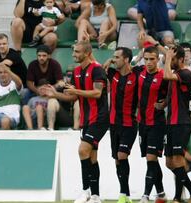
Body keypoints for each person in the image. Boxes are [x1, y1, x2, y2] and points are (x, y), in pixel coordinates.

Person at [65, 41, 109, 203]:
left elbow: (97, 93)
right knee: (91, 157)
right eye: (73, 51)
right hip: (86, 119)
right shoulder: (76, 71)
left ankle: (85, 191)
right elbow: (74, 96)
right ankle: (95, 196)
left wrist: (75, 90)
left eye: (77, 52)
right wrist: (53, 94)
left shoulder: (97, 70)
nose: (73, 54)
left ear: (87, 53)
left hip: (100, 118)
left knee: (82, 150)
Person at [163, 46, 191, 203]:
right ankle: (183, 195)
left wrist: (166, 57)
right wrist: (163, 104)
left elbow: (166, 76)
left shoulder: (185, 73)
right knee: (169, 162)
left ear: (180, 59)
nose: (170, 62)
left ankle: (185, 195)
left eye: (173, 59)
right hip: (171, 122)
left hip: (181, 122)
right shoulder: (176, 75)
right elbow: (173, 93)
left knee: (178, 160)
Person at [102, 47, 139, 203]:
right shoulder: (113, 74)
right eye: (113, 57)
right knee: (118, 159)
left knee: (122, 155)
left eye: (117, 57)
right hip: (114, 123)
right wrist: (110, 60)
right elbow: (103, 69)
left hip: (130, 123)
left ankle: (123, 194)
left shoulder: (136, 74)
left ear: (126, 60)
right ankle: (126, 195)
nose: (114, 59)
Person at [137, 46, 168, 203]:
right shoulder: (139, 72)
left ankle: (145, 195)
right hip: (142, 124)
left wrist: (165, 103)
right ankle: (161, 193)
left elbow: (173, 92)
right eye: (146, 59)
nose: (148, 62)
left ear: (158, 59)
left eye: (152, 59)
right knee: (152, 161)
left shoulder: (163, 76)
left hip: (157, 123)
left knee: (151, 158)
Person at [24, 45, 64, 113]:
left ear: (49, 56)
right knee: (24, 92)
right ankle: (27, 112)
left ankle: (60, 112)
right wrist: (37, 90)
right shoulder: (32, 64)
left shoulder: (55, 64)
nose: (41, 58)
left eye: (44, 55)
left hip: (52, 90)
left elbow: (60, 82)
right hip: (37, 90)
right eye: (39, 55)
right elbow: (29, 82)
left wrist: (49, 89)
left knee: (63, 89)